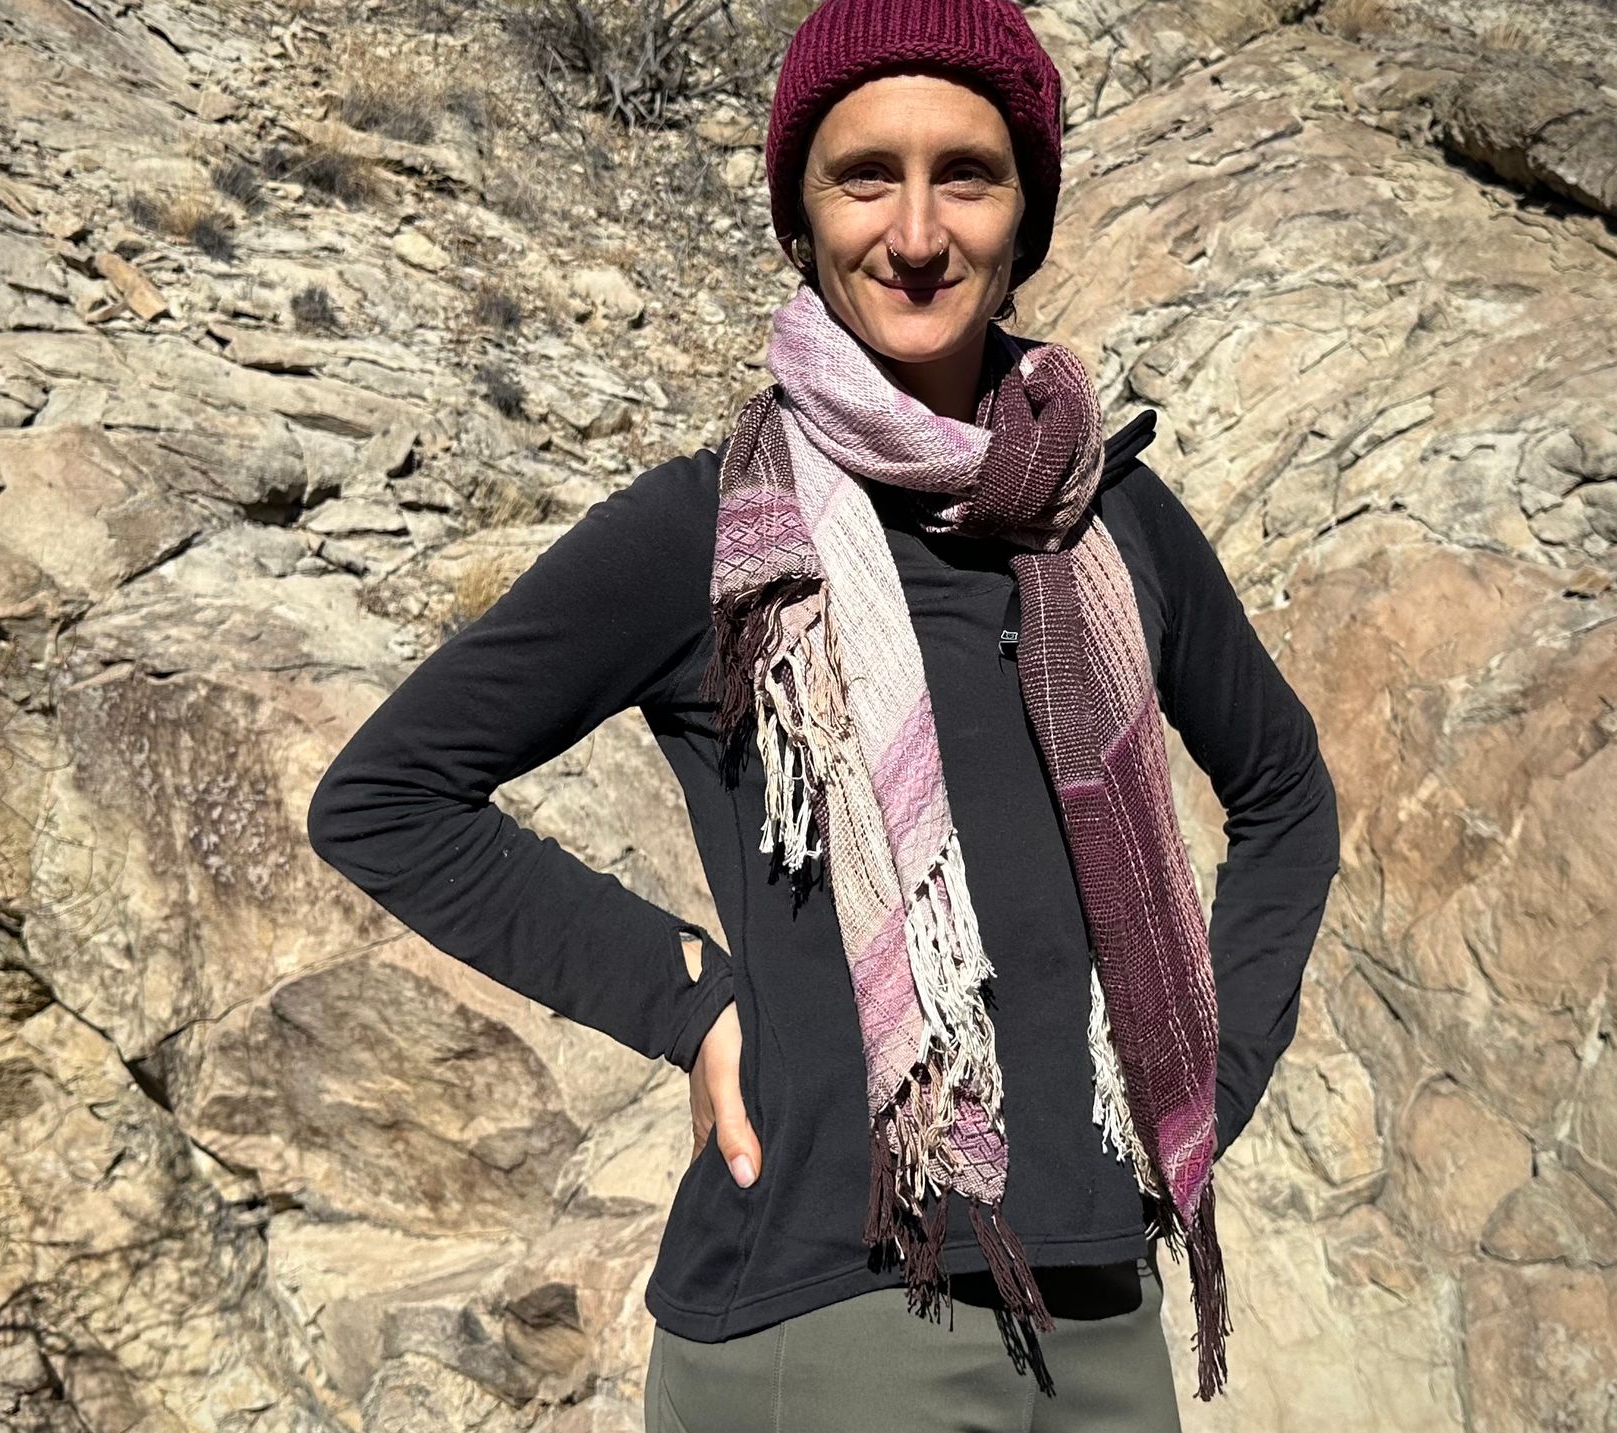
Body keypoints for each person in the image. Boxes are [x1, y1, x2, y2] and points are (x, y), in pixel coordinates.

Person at [304, 0, 1341, 1426]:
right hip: (837, 1310)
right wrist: (688, 998)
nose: (915, 232)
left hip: (1109, 1311)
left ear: (1025, 212)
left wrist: (1209, 1081)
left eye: (966, 174)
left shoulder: (1113, 518)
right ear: (800, 215)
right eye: (865, 175)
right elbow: (388, 796)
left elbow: (1286, 789)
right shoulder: (715, 532)